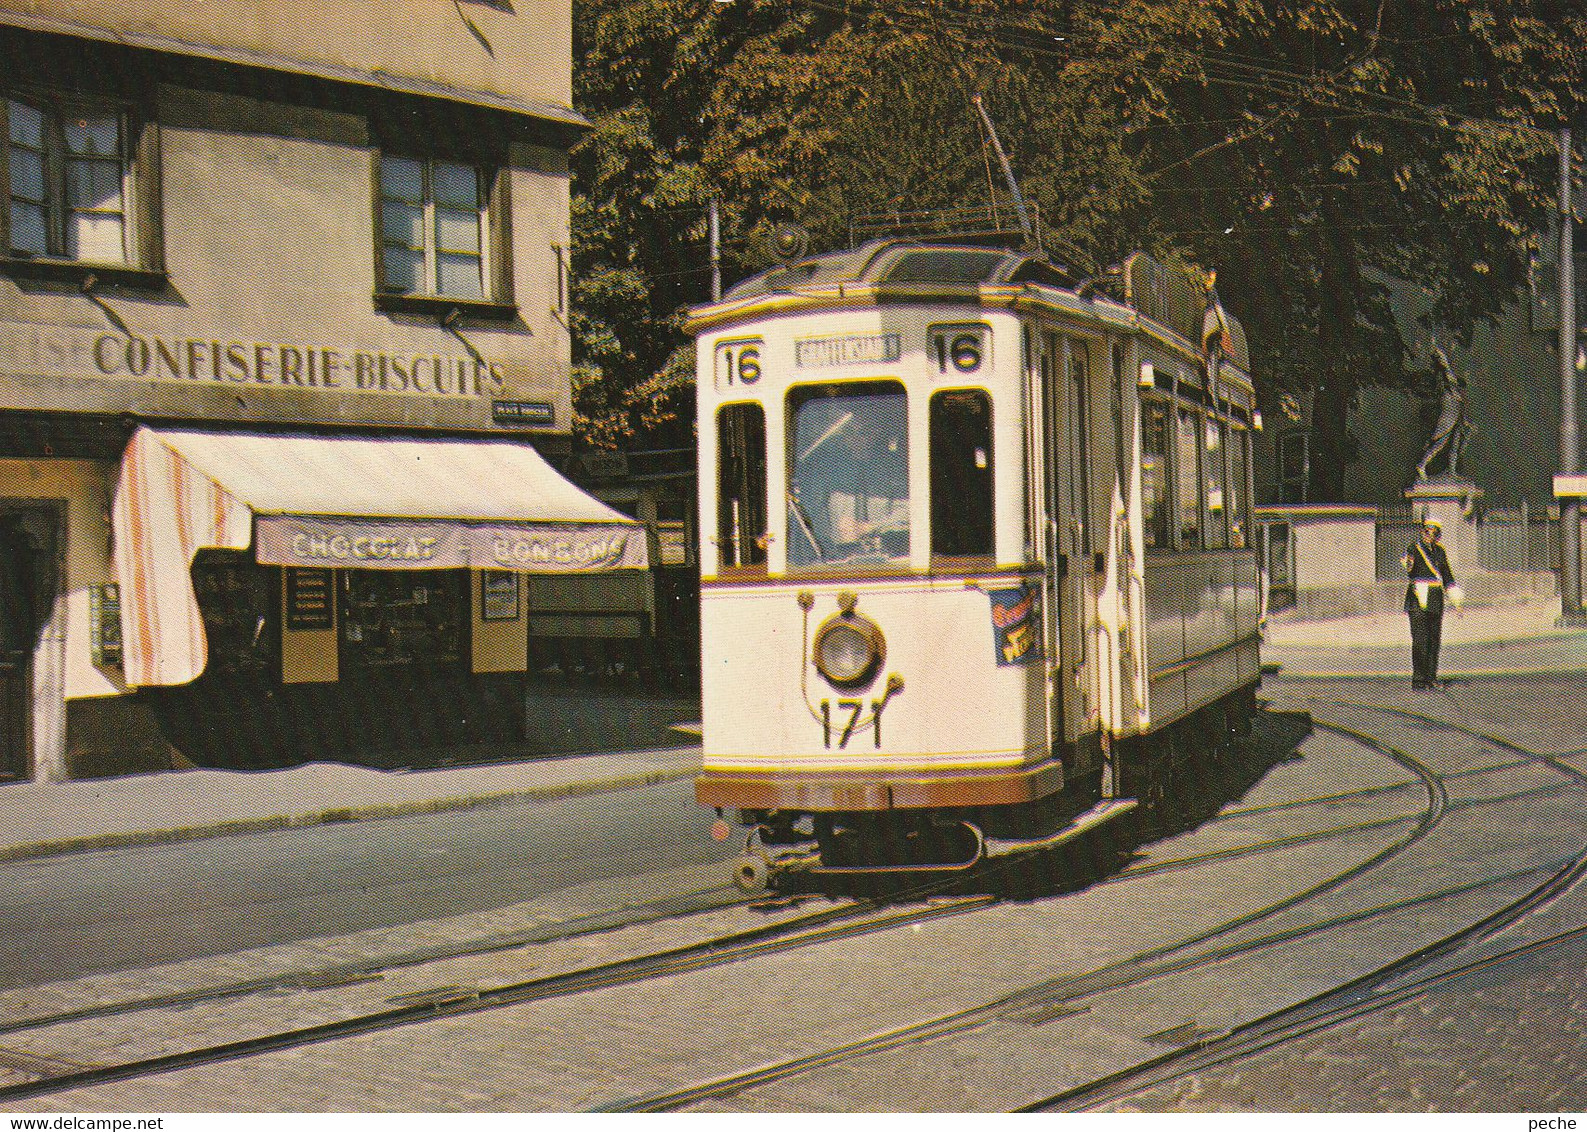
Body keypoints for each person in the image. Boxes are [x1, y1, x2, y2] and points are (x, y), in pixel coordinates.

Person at [1402, 518, 1457, 689]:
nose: (1429, 535)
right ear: (1422, 532)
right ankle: (1419, 680)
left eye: (1433, 533)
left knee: (1434, 638)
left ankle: (1431, 677)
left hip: (1435, 597)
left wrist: (1454, 594)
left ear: (1438, 536)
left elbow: (1446, 574)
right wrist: (1409, 558)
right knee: (1420, 639)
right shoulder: (1414, 548)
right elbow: (1410, 570)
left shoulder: (1440, 551)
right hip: (1418, 596)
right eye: (1427, 531)